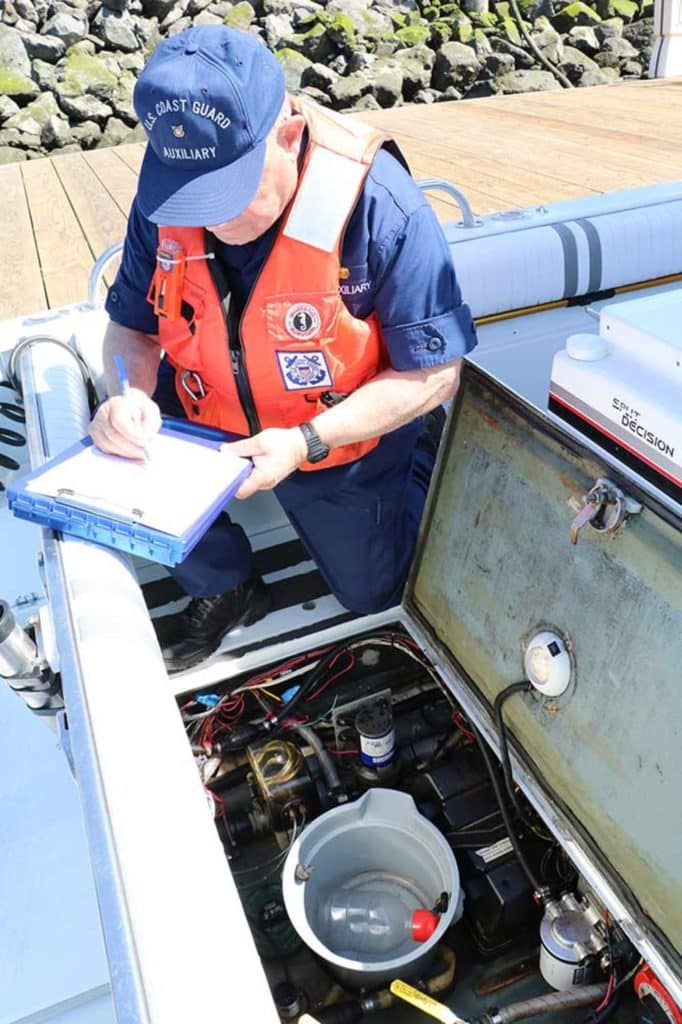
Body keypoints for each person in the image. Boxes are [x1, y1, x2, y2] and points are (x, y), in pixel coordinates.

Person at [90, 24, 478, 673]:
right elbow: (131, 326)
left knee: (370, 595)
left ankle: (422, 460)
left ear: (290, 135)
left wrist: (304, 442)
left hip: (329, 428)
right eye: (194, 198)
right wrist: (127, 395)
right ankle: (226, 585)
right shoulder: (166, 200)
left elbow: (437, 370)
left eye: (231, 193)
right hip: (206, 400)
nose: (211, 220)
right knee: (120, 438)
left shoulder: (380, 206)